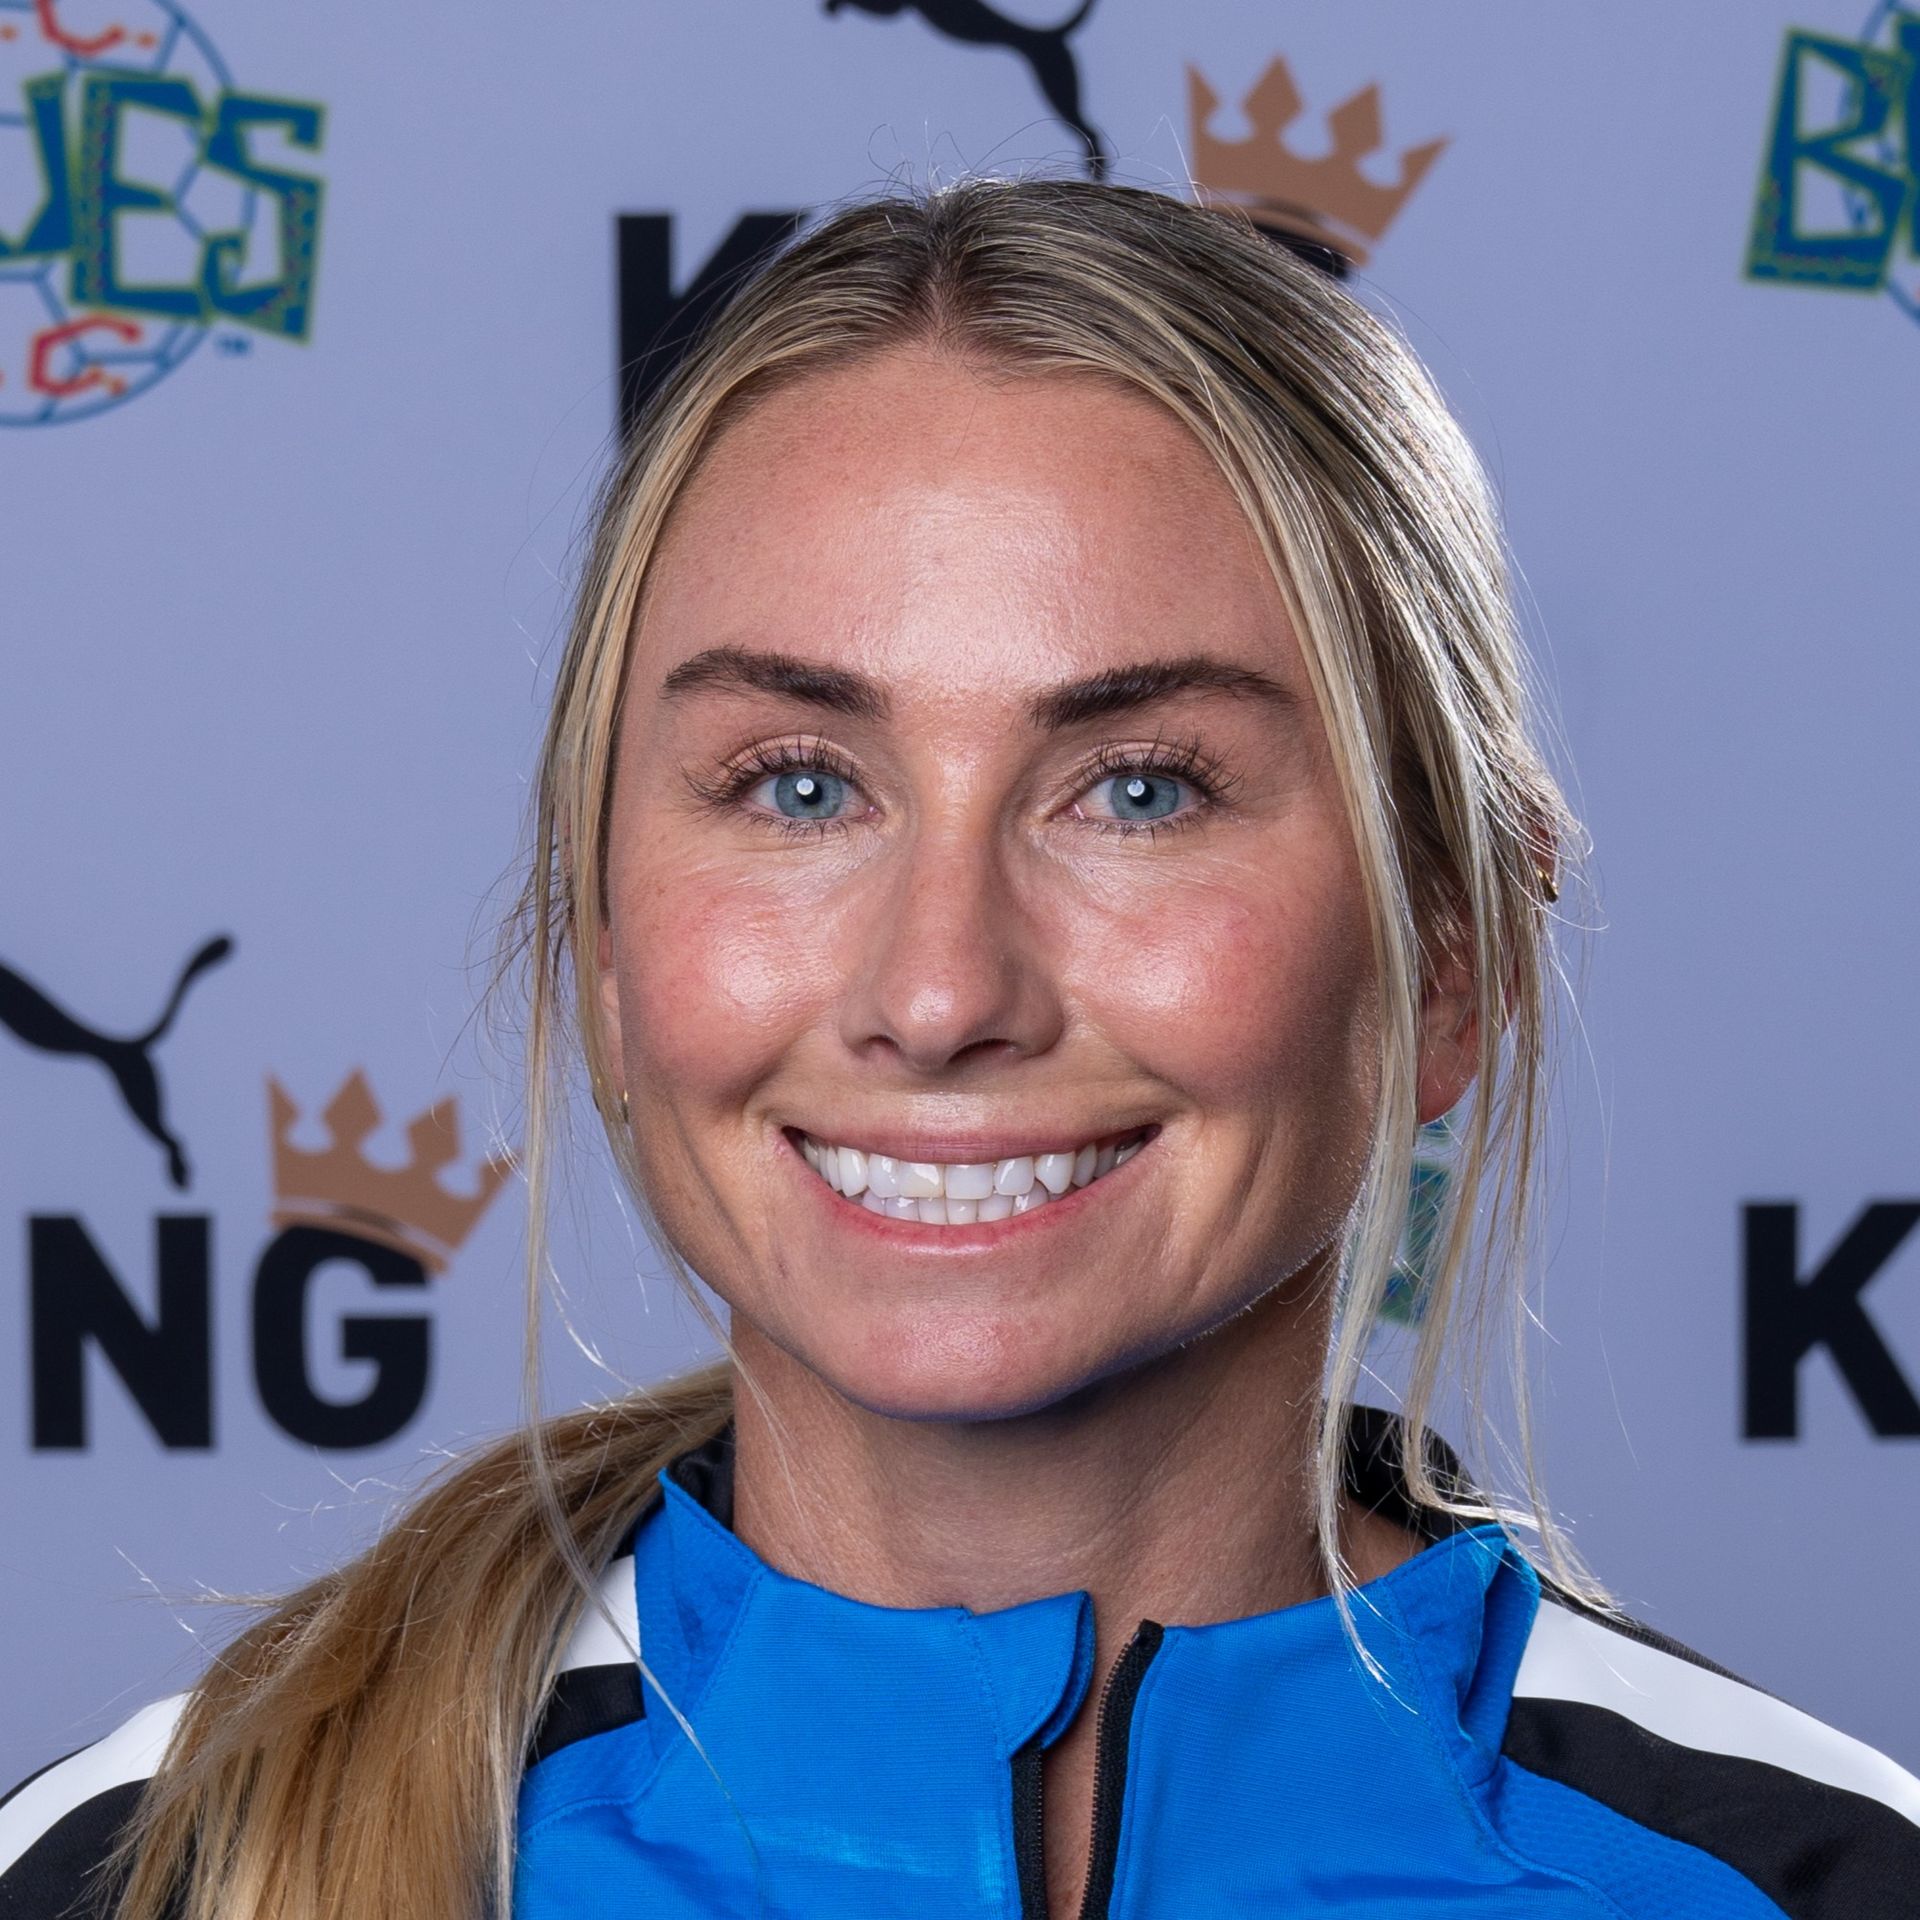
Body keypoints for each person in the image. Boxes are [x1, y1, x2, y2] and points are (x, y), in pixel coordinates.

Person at [2, 177, 1915, 1920]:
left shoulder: (1821, 1883)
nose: (938, 990)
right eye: (802, 784)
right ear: (599, 935)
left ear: (1451, 953)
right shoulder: (142, 1874)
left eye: (1142, 790)